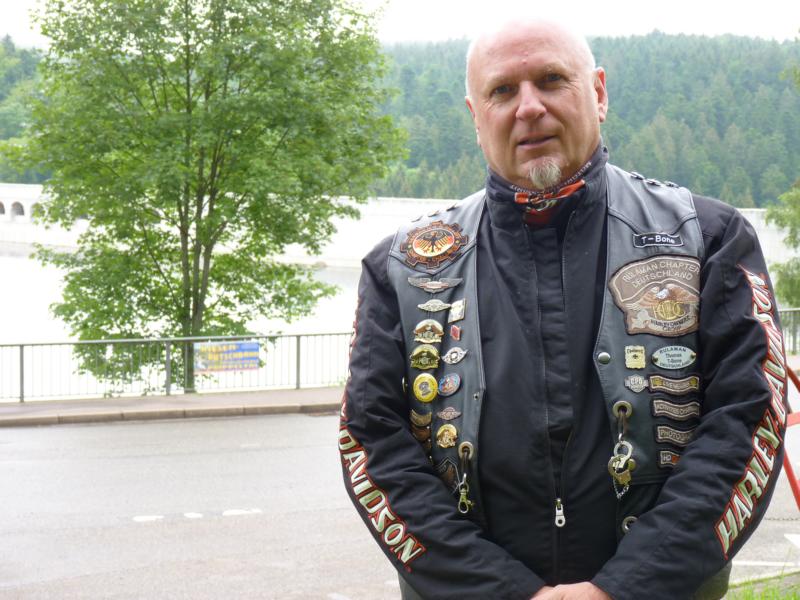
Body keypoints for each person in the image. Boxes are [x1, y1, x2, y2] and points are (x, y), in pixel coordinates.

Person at [338, 18, 788, 600]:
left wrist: (623, 587)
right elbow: (371, 439)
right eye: (503, 90)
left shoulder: (709, 237)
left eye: (552, 80)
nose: (529, 107)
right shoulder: (399, 266)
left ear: (598, 93)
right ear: (476, 116)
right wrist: (500, 589)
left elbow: (748, 419)